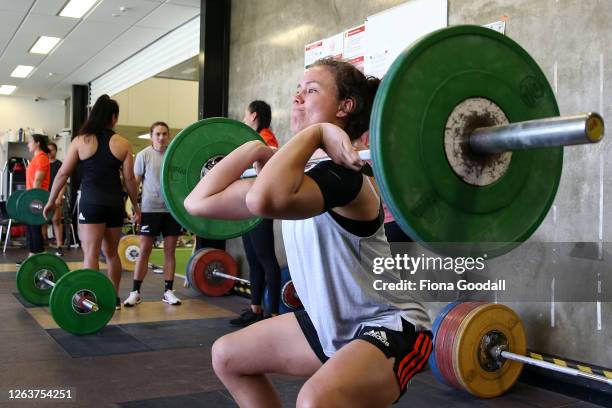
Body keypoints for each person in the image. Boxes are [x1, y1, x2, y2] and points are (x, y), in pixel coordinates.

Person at [184, 58, 432, 407]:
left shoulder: (347, 177)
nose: (297, 98)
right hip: (329, 325)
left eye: (311, 90)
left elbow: (262, 198)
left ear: (345, 106)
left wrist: (315, 134)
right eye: (297, 90)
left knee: (315, 400)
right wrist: (253, 148)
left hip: (391, 327)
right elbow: (198, 202)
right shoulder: (301, 175)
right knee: (227, 355)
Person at [43, 94, 140, 310]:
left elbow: (62, 174)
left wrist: (51, 200)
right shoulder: (123, 143)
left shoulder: (81, 141)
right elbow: (130, 180)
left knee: (91, 254)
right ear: (113, 118)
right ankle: (114, 298)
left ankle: (92, 299)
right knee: (113, 254)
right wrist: (136, 205)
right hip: (115, 204)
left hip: (91, 204)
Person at [231, 100, 282, 326]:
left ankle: (273, 314)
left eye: (245, 115)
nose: (243, 119)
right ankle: (256, 309)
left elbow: (270, 163)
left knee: (266, 259)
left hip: (260, 207)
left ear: (253, 116)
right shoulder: (252, 140)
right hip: (247, 206)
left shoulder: (266, 138)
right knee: (253, 259)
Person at [123, 121, 182, 307]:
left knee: (170, 251)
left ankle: (168, 291)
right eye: (158, 134)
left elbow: (180, 183)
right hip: (150, 210)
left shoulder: (175, 155)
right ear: (151, 136)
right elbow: (134, 183)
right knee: (145, 251)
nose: (161, 137)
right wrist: (134, 207)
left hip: (171, 211)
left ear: (169, 136)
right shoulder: (143, 155)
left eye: (165, 133)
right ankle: (135, 292)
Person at [18, 134, 51, 266]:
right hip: (32, 197)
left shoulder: (42, 158)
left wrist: (29, 199)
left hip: (37, 198)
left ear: (37, 143)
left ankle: (39, 258)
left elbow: (38, 181)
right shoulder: (36, 158)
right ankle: (32, 256)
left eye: (30, 142)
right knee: (31, 228)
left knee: (35, 227)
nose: (28, 144)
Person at [47, 142, 66, 256]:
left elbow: (63, 183)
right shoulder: (43, 163)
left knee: (56, 221)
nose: (50, 152)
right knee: (42, 222)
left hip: (55, 197)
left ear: (56, 151)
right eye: (48, 150)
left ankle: (59, 246)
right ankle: (42, 246)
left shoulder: (60, 164)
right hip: (43, 195)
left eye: (52, 150)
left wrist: (59, 197)